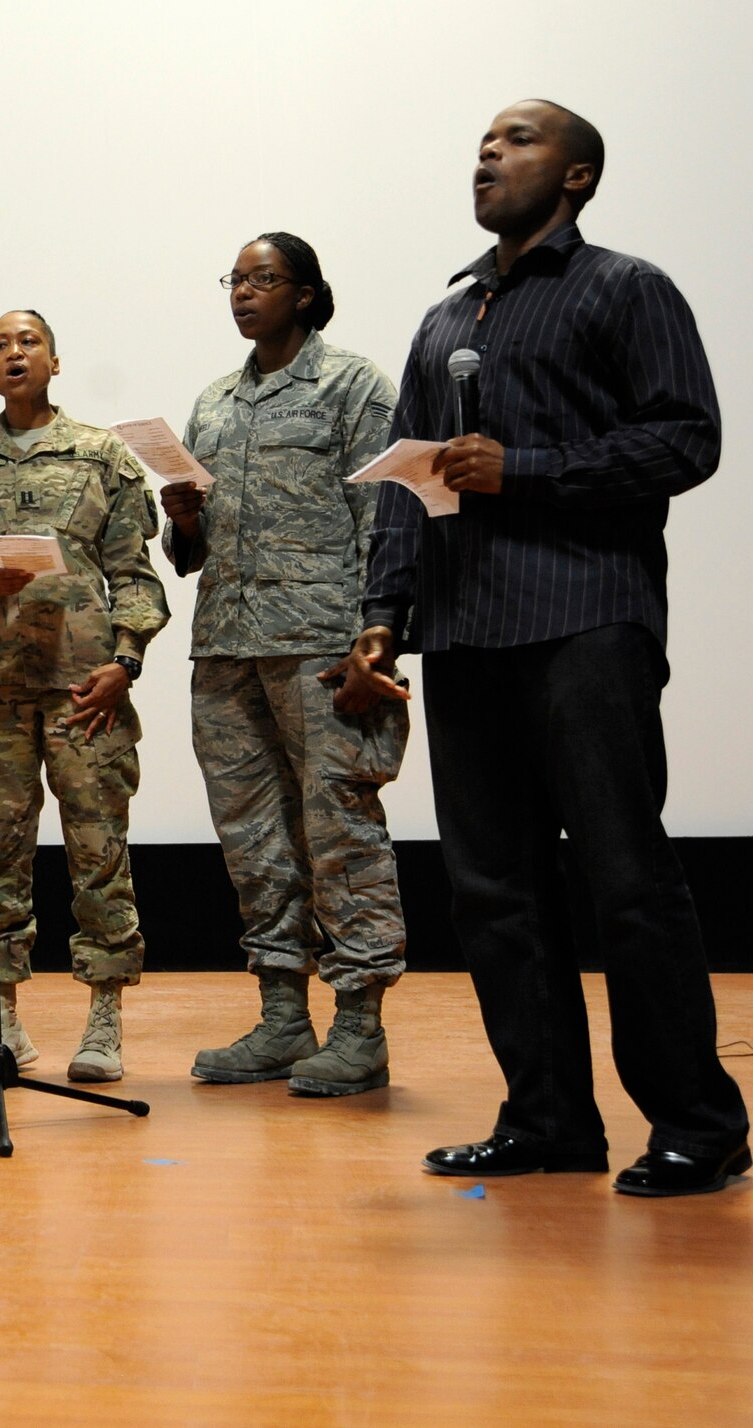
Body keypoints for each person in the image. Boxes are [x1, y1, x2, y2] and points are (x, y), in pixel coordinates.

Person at [337, 100, 749, 1194]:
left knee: (622, 876)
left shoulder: (624, 287)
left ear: (574, 177)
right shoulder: (441, 317)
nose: (487, 154)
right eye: (481, 143)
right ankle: (548, 1119)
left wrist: (525, 470)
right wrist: (382, 614)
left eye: (515, 141)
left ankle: (699, 1124)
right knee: (491, 890)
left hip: (585, 619)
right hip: (464, 636)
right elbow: (410, 479)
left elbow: (685, 437)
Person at [164, 238, 409, 1096]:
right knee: (255, 844)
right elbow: (185, 555)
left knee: (341, 834)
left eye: (262, 280)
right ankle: (281, 1020)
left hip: (322, 647)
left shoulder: (353, 385)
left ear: (306, 296)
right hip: (226, 650)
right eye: (233, 279)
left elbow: (389, 518)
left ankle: (361, 1028)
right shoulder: (214, 402)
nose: (243, 293)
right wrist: (182, 518)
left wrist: (377, 637)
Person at [0, 310, 170, 1083]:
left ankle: (103, 1016)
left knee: (99, 854)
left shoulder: (101, 455)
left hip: (85, 687)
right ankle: (2, 1015)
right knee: (0, 854)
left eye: (28, 342)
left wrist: (125, 662)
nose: (13, 353)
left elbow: (136, 577)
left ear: (56, 362)